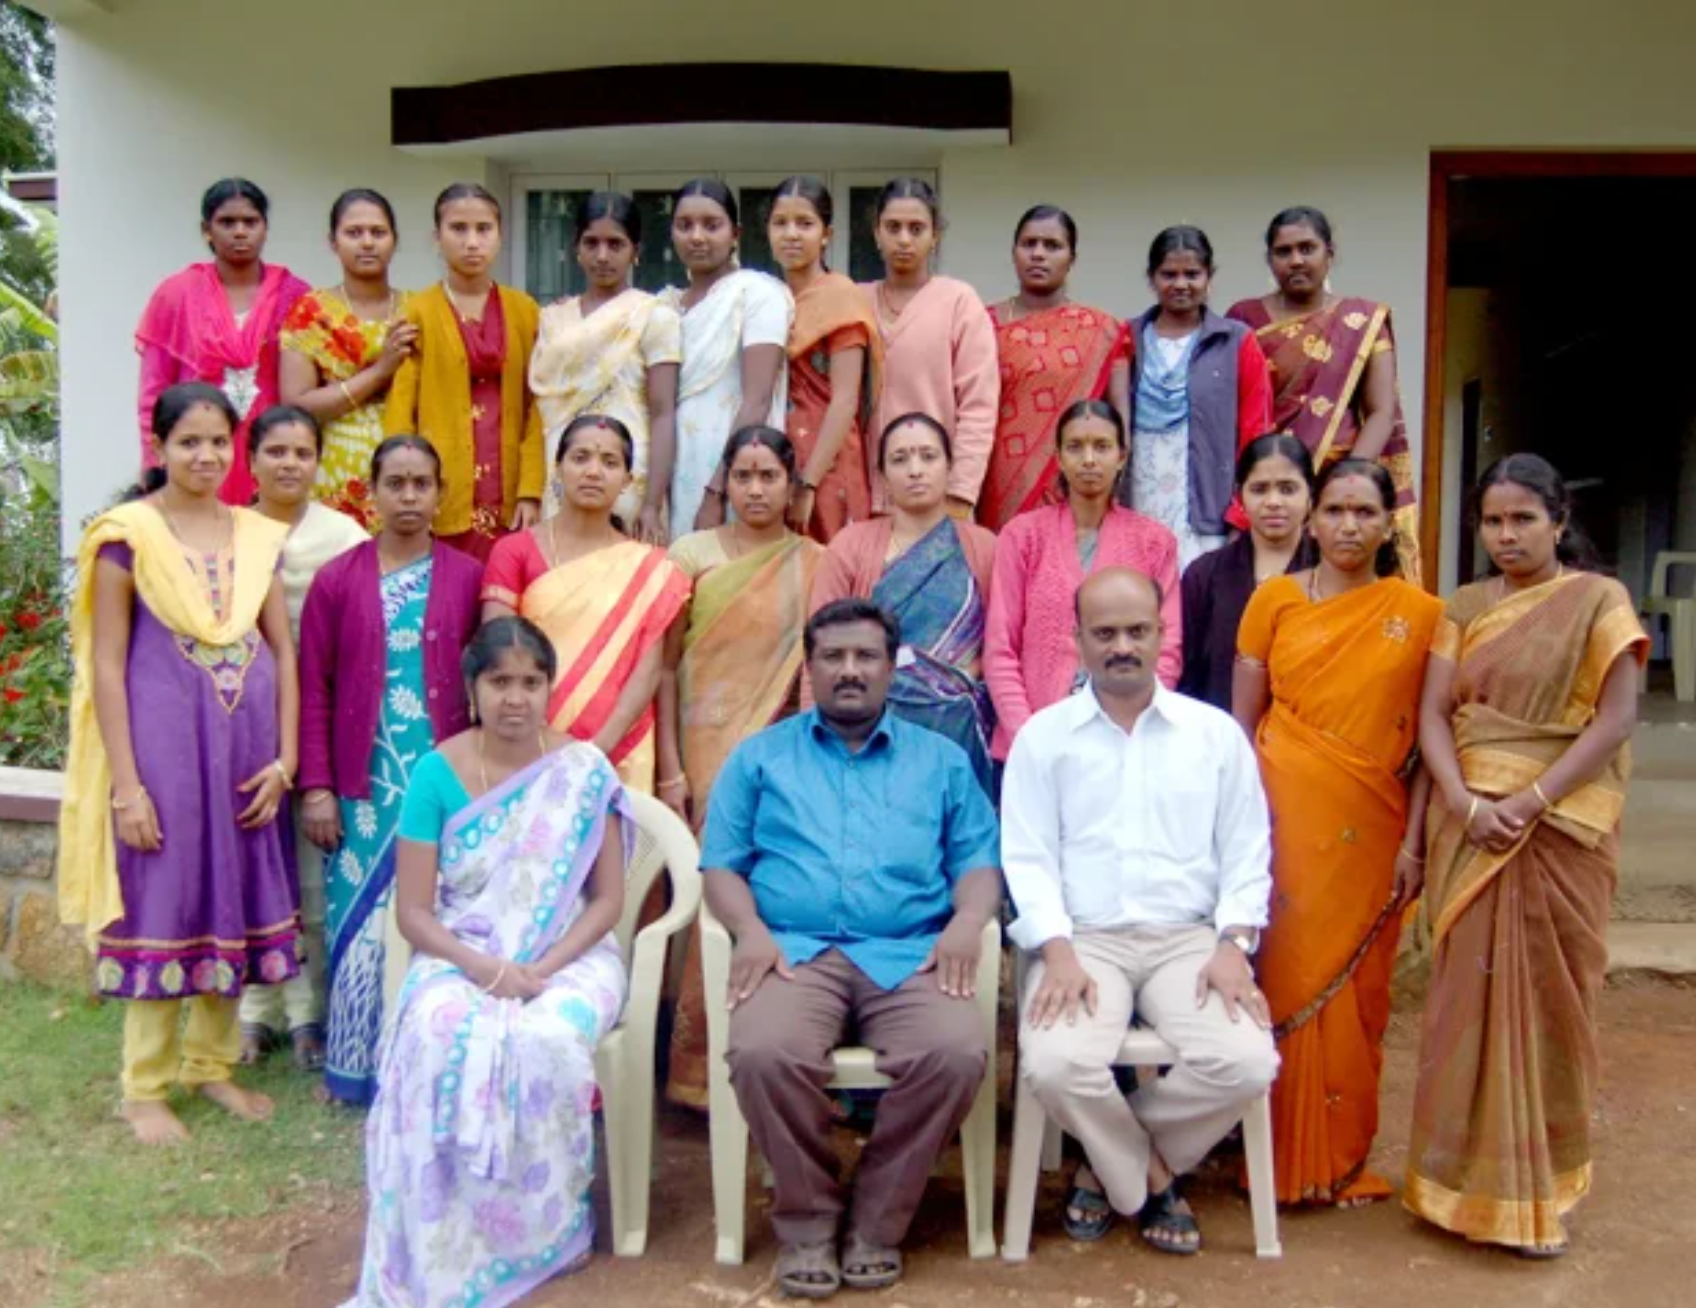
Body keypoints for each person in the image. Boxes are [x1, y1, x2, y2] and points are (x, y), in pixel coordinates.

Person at [703, 598, 1001, 1299]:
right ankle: (807, 1222)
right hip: (793, 952)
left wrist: (968, 922)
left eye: (865, 656)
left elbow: (979, 863)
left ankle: (878, 1216)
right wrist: (748, 930)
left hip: (910, 952)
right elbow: (720, 865)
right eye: (832, 657)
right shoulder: (760, 757)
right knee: (762, 1052)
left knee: (954, 1053)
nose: (848, 670)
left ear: (892, 667)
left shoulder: (942, 761)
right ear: (809, 668)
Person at [341, 617, 631, 1306]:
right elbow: (414, 911)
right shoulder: (437, 774)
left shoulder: (583, 771)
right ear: (473, 688)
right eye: (500, 681)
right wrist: (484, 968)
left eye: (532, 682)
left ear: (548, 690)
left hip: (575, 954)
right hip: (461, 948)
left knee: (548, 1037)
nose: (516, 698)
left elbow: (608, 902)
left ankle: (552, 1229)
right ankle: (449, 1227)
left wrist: (541, 968)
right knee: (436, 1032)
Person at [1404, 454, 1646, 1258]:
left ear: (1559, 521)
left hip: (1559, 830)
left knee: (1549, 1001)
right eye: (1493, 521)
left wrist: (1530, 802)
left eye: (1523, 520)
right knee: (1464, 1007)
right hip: (1471, 828)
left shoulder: (1598, 602)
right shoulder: (1466, 605)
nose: (1507, 535)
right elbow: (1434, 715)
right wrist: (1468, 805)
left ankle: (1536, 1186)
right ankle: (1453, 1187)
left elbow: (1614, 720)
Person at [1005, 567, 1278, 1253]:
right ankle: (1152, 1179)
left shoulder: (1213, 735)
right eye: (1104, 633)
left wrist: (1232, 945)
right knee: (1057, 1064)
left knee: (1246, 1062)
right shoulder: (1045, 737)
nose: (1121, 645)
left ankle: (1109, 1168)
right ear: (1077, 641)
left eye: (1136, 630)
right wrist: (1057, 951)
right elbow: (1028, 859)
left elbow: (1248, 849)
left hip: (1190, 941)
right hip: (1084, 942)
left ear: (1162, 634)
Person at [58, 382, 300, 1145]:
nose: (205, 455)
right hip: (163, 749)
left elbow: (283, 653)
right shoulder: (126, 536)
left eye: (218, 442)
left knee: (234, 890)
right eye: (189, 441)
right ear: (158, 447)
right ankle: (143, 1087)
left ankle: (211, 1065)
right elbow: (104, 666)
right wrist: (127, 785)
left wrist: (288, 759)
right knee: (164, 893)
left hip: (248, 751)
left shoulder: (257, 536)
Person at [1231, 458, 1441, 1205]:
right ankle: (1270, 1157)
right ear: (1312, 518)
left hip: (1372, 830)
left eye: (1366, 513)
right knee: (1279, 981)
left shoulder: (1420, 615)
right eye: (1336, 510)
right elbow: (1240, 728)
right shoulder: (1274, 600)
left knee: (1357, 994)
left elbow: (1425, 746)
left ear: (1390, 525)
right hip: (1282, 824)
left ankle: (1342, 1161)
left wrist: (1416, 842)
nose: (1349, 526)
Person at [297, 435, 485, 1106]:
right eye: (395, 483)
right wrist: (317, 786)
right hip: (360, 784)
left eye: (421, 484)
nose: (408, 497)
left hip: (442, 781)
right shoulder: (337, 580)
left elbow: (485, 683)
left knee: (438, 915)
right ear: (371, 493)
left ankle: (427, 1068)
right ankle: (353, 1067)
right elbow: (313, 687)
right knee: (356, 921)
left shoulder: (467, 576)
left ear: (440, 493)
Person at [657, 425, 824, 1109]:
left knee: (776, 896)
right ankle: (694, 1075)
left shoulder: (816, 559)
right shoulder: (689, 554)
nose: (756, 489)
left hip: (781, 761)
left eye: (770, 476)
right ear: (724, 480)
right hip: (700, 749)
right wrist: (671, 770)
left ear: (791, 485)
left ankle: (779, 1063)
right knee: (702, 897)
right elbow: (664, 667)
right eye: (744, 475)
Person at [238, 406, 368, 1070]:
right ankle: (255, 1014)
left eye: (302, 452)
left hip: (319, 715)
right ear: (252, 458)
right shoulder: (228, 531)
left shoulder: (344, 537)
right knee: (257, 871)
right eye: (276, 451)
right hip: (241, 720)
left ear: (319, 462)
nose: (290, 463)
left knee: (312, 878)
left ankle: (311, 1015)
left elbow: (350, 643)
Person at [481, 414, 691, 793]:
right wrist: (539, 744)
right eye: (580, 458)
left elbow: (650, 672)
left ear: (628, 480)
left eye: (610, 462)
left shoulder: (650, 568)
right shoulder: (514, 551)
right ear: (557, 468)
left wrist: (595, 751)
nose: (594, 471)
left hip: (618, 753)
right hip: (526, 746)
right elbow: (496, 654)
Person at [809, 413, 998, 795]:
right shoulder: (850, 547)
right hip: (867, 731)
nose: (915, 470)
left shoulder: (985, 548)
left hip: (960, 737)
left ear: (949, 467)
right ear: (881, 475)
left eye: (928, 457)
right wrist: (814, 738)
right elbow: (818, 648)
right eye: (900, 459)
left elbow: (1001, 646)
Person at [1226, 207, 1420, 578]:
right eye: (1284, 252)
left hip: (1338, 480)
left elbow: (1380, 410)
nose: (1296, 260)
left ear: (1329, 253)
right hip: (1267, 484)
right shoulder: (1244, 317)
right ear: (1270, 259)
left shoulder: (1361, 319)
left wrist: (1343, 483)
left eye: (1307, 248)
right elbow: (1234, 407)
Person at [985, 399, 1182, 763]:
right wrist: (1030, 737)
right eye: (1075, 447)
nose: (1089, 459)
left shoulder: (1154, 543)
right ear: (1058, 457)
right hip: (1032, 746)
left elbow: (1167, 649)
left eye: (1102, 447)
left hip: (1126, 744)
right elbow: (1000, 649)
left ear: (1122, 456)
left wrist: (1132, 727)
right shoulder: (1023, 537)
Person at [384, 183, 544, 561]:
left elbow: (536, 407)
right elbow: (401, 409)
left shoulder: (524, 311)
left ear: (500, 236)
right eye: (458, 229)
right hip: (440, 493)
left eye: (483, 229)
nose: (472, 242)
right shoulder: (418, 311)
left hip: (508, 494)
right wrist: (408, 488)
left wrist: (530, 489)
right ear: (437, 237)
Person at [135, 179, 310, 505]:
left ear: (265, 228)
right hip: (200, 450)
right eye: (227, 222)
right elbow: (153, 391)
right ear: (207, 229)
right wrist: (154, 462)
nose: (240, 232)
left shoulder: (295, 295)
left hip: (272, 451)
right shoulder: (176, 294)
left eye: (250, 222)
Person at [528, 190, 681, 542]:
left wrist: (652, 504)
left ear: (636, 251)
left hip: (628, 476)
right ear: (575, 249)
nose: (602, 256)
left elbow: (663, 413)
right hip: (560, 471)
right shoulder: (553, 320)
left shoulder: (654, 316)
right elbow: (539, 410)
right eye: (591, 243)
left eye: (616, 244)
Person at [1118, 226, 1271, 568]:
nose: (1181, 284)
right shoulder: (1126, 339)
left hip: (1208, 511)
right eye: (1169, 274)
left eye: (1193, 274)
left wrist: (1241, 513)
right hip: (1137, 502)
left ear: (1209, 277)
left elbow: (1255, 434)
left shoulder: (1236, 341)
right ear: (1151, 278)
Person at [981, 205, 1130, 531]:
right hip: (995, 484)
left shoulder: (1103, 330)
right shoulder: (981, 324)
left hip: (1076, 483)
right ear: (1013, 252)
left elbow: (1120, 420)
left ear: (1071, 258)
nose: (1038, 254)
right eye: (1029, 244)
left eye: (1052, 246)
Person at [659, 179, 792, 538]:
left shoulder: (758, 294)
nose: (697, 237)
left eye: (711, 225)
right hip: (675, 467)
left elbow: (758, 399)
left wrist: (717, 491)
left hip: (737, 471)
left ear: (736, 233)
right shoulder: (665, 307)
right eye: (684, 225)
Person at [860, 178, 999, 517]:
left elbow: (979, 405)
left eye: (916, 228)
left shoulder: (958, 302)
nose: (904, 239)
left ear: (935, 236)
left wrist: (961, 494)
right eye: (893, 227)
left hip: (937, 499)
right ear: (877, 233)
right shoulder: (855, 300)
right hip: (864, 496)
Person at [279, 188, 417, 528]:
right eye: (354, 233)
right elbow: (296, 405)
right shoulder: (311, 312)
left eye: (378, 232)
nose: (367, 242)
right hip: (334, 476)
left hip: (409, 477)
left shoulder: (418, 309)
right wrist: (381, 372)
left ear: (394, 241)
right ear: (333, 242)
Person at [768, 176, 882, 541]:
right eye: (780, 223)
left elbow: (846, 400)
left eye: (805, 223)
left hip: (827, 462)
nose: (791, 234)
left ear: (827, 234)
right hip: (775, 454)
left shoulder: (840, 297)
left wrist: (808, 483)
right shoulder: (765, 298)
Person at [1178, 434, 1317, 710]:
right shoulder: (1204, 574)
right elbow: (1189, 674)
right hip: (1221, 735)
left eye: (1288, 489)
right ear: (1239, 496)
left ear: (1311, 497)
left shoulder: (1331, 572)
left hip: (1305, 739)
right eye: (1260, 489)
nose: (1273, 501)